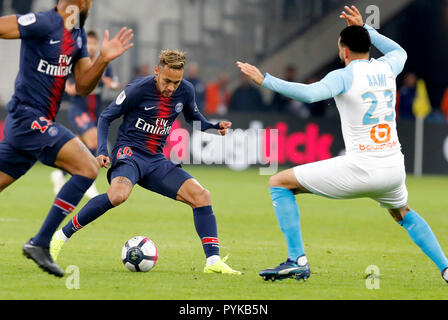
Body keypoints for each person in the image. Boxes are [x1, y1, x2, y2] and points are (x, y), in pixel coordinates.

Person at [237, 5, 448, 283]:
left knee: (279, 182)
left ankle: (297, 260)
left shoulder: (344, 76)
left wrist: (265, 80)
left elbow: (311, 94)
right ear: (368, 47)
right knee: (403, 213)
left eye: (340, 47)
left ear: (345, 51)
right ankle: (445, 267)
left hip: (361, 168)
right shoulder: (387, 67)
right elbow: (401, 52)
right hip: (393, 167)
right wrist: (366, 29)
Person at [50, 50, 241, 275]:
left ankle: (213, 262)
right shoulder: (138, 89)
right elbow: (105, 117)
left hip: (155, 160)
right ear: (157, 71)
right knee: (118, 195)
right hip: (128, 154)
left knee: (202, 196)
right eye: (167, 81)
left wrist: (213, 127)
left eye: (176, 82)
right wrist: (102, 151)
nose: (171, 87)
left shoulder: (185, 90)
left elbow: (193, 118)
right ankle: (61, 235)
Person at [0, 0, 134, 277]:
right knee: (87, 167)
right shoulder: (44, 22)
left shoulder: (77, 34)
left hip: (31, 126)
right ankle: (40, 243)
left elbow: (84, 86)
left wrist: (103, 59)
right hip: (28, 119)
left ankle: (40, 243)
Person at [51, 30, 121, 198]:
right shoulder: (78, 63)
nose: (90, 47)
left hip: (94, 112)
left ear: (97, 45)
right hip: (78, 110)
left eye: (93, 44)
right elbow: (67, 87)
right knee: (94, 140)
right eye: (88, 43)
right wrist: (84, 83)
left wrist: (108, 82)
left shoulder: (103, 63)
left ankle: (60, 174)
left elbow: (115, 84)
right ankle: (88, 181)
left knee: (80, 146)